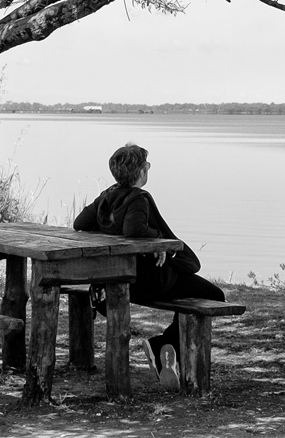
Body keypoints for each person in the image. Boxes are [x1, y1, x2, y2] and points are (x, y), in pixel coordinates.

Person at [72, 142, 226, 390]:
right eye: (147, 166)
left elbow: (80, 222)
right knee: (214, 295)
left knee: (198, 291)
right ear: (141, 171)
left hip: (119, 279)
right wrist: (158, 241)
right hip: (149, 282)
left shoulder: (108, 196)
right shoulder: (138, 198)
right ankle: (162, 344)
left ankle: (166, 346)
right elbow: (134, 229)